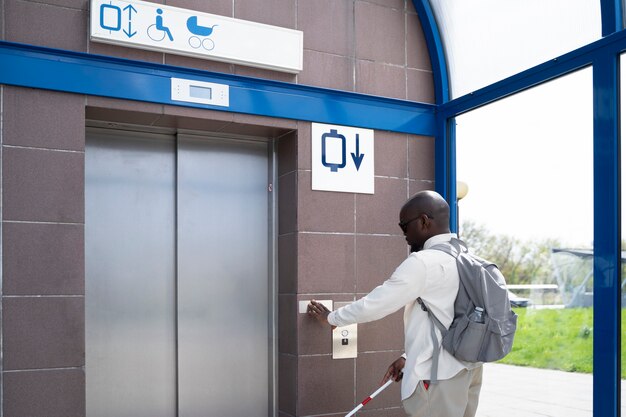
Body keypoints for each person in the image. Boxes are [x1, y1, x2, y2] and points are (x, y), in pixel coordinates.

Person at [308, 190, 483, 417]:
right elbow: (450, 319)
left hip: (438, 374)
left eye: (404, 226)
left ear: (423, 221)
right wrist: (408, 358)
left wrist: (332, 318)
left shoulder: (423, 263)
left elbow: (378, 303)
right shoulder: (468, 258)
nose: (403, 234)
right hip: (470, 368)